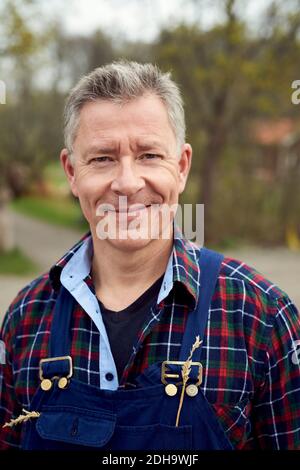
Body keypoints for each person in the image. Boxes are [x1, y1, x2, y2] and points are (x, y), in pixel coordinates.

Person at [0, 61, 300, 451]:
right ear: (72, 172)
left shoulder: (262, 317)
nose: (127, 182)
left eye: (149, 156)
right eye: (103, 158)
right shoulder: (25, 319)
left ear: (181, 167)